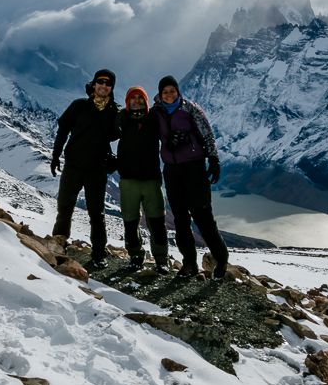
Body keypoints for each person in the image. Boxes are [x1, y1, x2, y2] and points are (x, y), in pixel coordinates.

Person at [151, 75, 228, 279]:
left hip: (194, 168)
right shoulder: (155, 112)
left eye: (172, 90)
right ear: (160, 94)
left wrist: (214, 160)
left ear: (178, 91)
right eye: (165, 91)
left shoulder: (190, 108)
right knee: (180, 219)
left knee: (203, 216)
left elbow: (207, 134)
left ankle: (221, 260)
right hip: (171, 170)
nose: (169, 94)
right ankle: (189, 264)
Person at [51, 69, 120, 268]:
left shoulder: (114, 112)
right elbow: (63, 131)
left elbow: (125, 137)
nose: (104, 86)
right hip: (73, 166)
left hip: (96, 170)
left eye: (108, 84)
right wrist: (55, 156)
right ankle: (58, 246)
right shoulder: (78, 106)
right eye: (101, 82)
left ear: (111, 88)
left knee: (96, 213)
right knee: (64, 208)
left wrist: (116, 161)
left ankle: (98, 255)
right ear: (94, 84)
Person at [116, 86, 169, 274]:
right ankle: (135, 256)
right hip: (128, 179)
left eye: (140, 98)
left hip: (151, 179)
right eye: (133, 98)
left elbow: (164, 106)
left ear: (146, 101)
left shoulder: (154, 118)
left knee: (156, 221)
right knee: (130, 221)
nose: (137, 101)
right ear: (127, 101)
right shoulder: (121, 118)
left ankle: (161, 259)